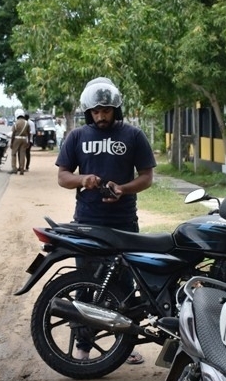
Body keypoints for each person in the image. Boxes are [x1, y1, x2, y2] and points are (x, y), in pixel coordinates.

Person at [57, 77, 156, 364]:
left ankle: (124, 347)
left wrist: (123, 189)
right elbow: (63, 176)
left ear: (116, 110)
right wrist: (83, 179)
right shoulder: (76, 137)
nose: (101, 116)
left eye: (107, 111)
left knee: (124, 287)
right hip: (87, 221)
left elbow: (147, 177)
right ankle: (83, 347)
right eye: (97, 111)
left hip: (124, 223)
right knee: (86, 285)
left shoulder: (133, 136)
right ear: (89, 111)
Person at [9, 109, 31, 175]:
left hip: (16, 139)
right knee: (22, 154)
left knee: (13, 154)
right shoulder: (27, 123)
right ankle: (22, 169)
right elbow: (29, 133)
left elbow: (13, 133)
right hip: (24, 139)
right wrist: (29, 141)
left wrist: (11, 142)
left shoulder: (16, 123)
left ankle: (14, 169)